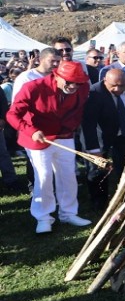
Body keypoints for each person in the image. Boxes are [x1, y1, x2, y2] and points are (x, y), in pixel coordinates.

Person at [7, 61, 91, 233]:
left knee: (68, 175)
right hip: (37, 138)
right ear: (56, 76)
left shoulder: (82, 88)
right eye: (68, 82)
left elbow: (79, 110)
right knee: (43, 177)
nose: (73, 86)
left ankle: (68, 213)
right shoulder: (34, 87)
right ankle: (43, 217)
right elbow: (13, 114)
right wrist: (30, 131)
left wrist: (71, 127)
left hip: (65, 136)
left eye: (77, 82)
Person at [82, 69, 125, 211]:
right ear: (105, 80)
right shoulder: (94, 92)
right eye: (113, 85)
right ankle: (99, 202)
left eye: (122, 85)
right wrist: (94, 150)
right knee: (97, 169)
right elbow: (89, 124)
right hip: (102, 135)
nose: (117, 89)